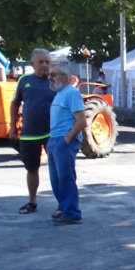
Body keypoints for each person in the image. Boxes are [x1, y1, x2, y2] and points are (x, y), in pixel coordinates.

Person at [9, 48, 55, 215]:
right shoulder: (24, 80)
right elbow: (14, 104)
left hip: (52, 134)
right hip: (29, 134)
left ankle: (62, 204)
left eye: (47, 62)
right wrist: (13, 127)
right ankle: (32, 201)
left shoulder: (56, 81)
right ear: (32, 64)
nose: (44, 65)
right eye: (40, 62)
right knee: (31, 169)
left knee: (57, 169)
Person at [46, 62, 87, 225]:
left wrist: (67, 139)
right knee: (56, 179)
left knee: (65, 178)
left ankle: (72, 213)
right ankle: (64, 208)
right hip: (55, 139)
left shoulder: (71, 93)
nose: (50, 77)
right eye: (49, 74)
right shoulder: (60, 93)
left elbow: (81, 121)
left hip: (63, 141)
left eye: (53, 74)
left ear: (65, 77)